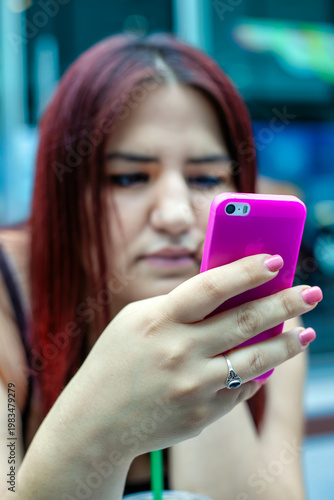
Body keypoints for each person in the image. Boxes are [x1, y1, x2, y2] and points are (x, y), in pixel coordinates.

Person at [0, 33, 323, 500]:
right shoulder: (11, 295)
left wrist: (213, 332)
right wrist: (101, 418)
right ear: (63, 195)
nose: (174, 214)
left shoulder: (268, 314)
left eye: (205, 178)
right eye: (128, 177)